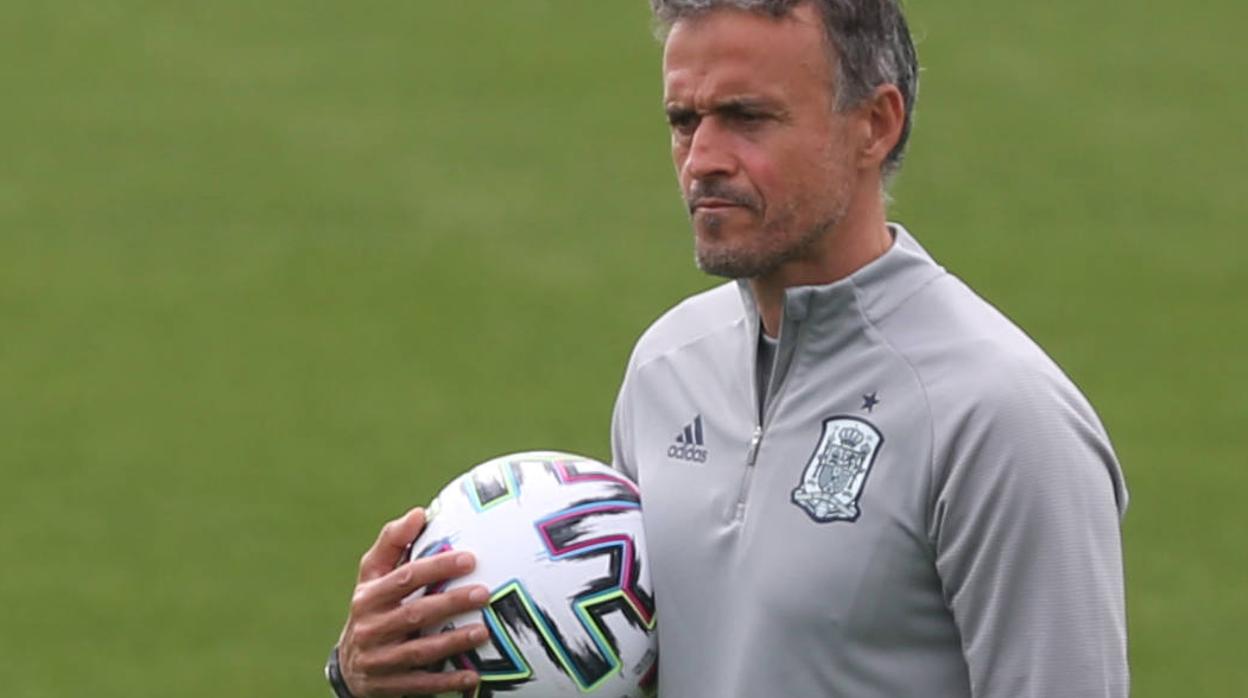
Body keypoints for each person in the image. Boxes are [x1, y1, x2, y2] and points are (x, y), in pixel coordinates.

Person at [326, 1, 1130, 696]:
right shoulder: (669, 369)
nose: (703, 160)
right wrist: (388, 666)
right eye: (685, 121)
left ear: (875, 125)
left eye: (747, 118)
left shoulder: (999, 416)